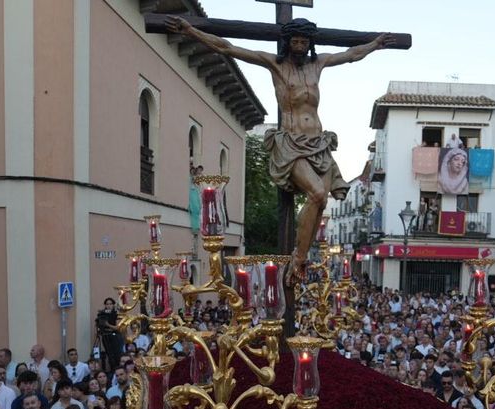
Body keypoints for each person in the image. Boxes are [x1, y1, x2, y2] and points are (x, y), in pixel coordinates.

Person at [166, 16, 396, 280]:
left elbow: (351, 55)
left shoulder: (318, 64)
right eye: (295, 41)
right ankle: (298, 259)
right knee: (317, 193)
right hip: (291, 144)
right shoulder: (275, 65)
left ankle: (301, 257)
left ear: (309, 44)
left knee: (321, 202)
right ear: (287, 42)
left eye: (304, 42)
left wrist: (375, 44)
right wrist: (191, 31)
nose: (299, 46)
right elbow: (227, 47)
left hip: (318, 144)